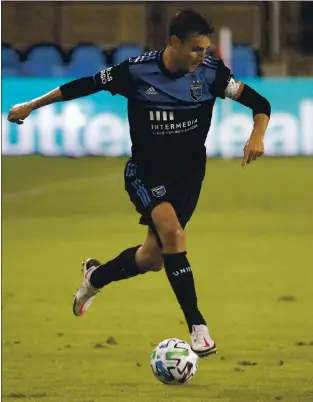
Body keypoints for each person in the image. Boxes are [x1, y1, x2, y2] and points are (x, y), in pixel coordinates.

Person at [8, 8, 271, 358]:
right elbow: (82, 86)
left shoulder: (211, 74)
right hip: (147, 172)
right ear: (173, 42)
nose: (202, 56)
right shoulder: (135, 71)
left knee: (152, 258)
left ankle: (95, 278)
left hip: (189, 175)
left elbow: (260, 103)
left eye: (206, 49)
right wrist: (32, 104)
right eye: (196, 49)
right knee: (174, 235)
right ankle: (198, 326)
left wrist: (257, 135)